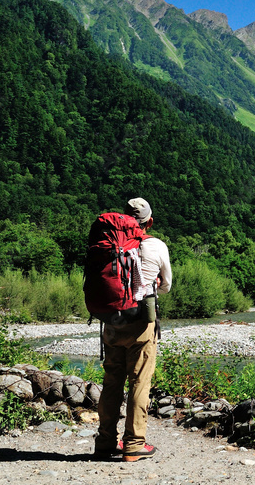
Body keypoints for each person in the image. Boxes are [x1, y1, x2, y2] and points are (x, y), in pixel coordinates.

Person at [95, 197, 172, 462]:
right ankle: (134, 445)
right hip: (141, 323)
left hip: (112, 322)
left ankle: (105, 442)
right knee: (140, 382)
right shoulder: (155, 245)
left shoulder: (108, 244)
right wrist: (156, 281)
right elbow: (166, 286)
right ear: (149, 221)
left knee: (112, 382)